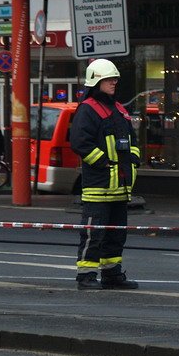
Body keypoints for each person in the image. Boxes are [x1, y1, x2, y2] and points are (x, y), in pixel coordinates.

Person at [70, 59, 141, 290]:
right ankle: (86, 275)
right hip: (99, 186)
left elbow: (132, 140)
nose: (114, 83)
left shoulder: (119, 109)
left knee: (116, 235)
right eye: (109, 79)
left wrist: (134, 158)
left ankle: (112, 275)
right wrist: (103, 163)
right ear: (96, 81)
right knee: (94, 233)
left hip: (120, 187)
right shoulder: (88, 109)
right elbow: (80, 143)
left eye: (115, 79)